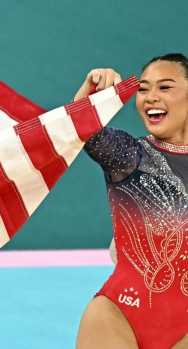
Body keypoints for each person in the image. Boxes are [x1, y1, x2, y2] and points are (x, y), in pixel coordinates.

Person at [75, 54, 188, 349]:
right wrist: (90, 99)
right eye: (143, 89)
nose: (151, 97)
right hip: (117, 316)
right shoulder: (131, 157)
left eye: (165, 88)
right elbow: (86, 132)